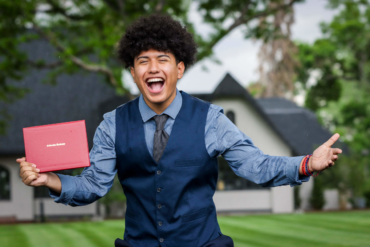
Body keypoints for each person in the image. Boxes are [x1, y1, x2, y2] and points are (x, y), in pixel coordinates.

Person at [17, 14, 342, 247]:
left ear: (179, 68)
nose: (153, 68)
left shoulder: (211, 119)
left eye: (163, 59)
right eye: (143, 61)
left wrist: (306, 164)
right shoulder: (112, 124)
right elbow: (93, 184)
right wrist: (49, 180)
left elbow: (255, 166)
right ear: (133, 73)